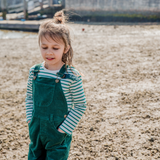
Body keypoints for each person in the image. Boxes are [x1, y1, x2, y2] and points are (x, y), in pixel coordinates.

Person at [25, 10, 87, 160]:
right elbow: (29, 98)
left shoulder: (71, 75)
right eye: (44, 47)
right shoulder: (35, 71)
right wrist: (30, 119)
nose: (49, 52)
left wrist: (63, 129)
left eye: (55, 48)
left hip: (58, 134)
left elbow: (80, 105)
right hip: (36, 130)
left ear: (65, 49)